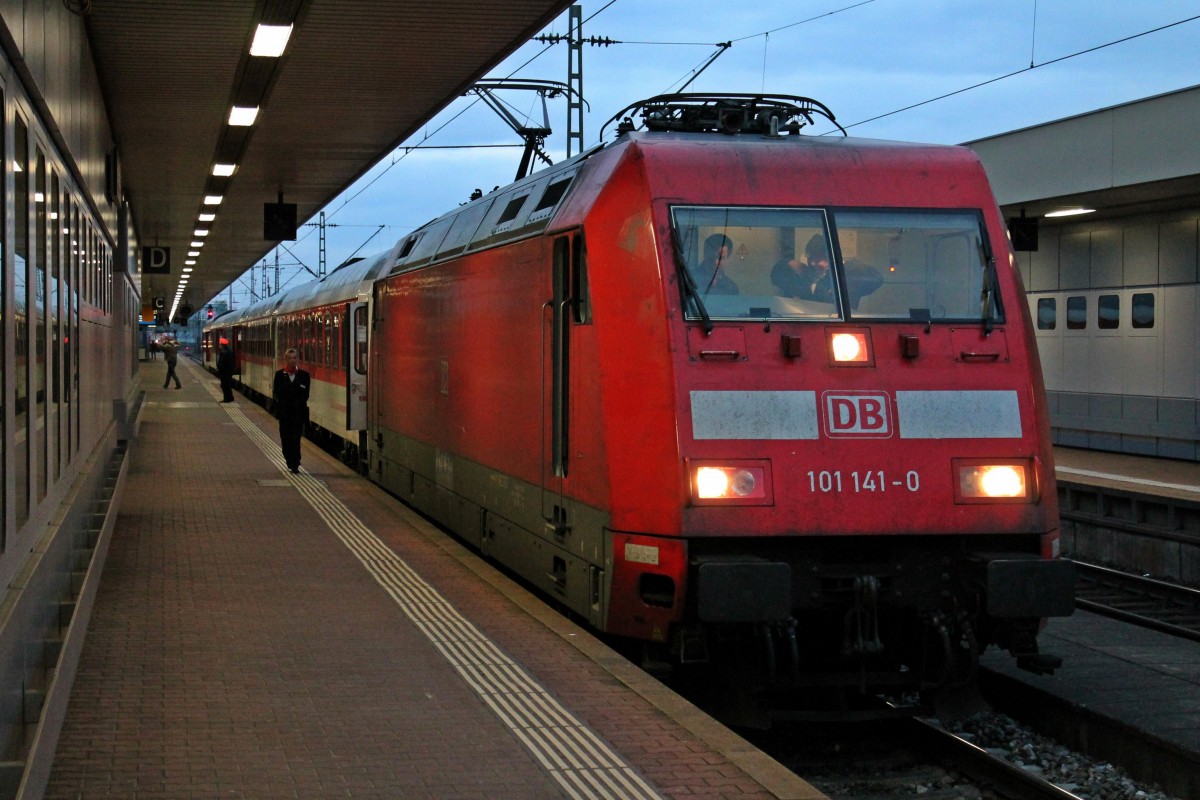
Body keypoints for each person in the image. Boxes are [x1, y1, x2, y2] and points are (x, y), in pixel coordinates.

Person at [272, 348, 310, 474]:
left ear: (297, 359)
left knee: (296, 438)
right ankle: (288, 459)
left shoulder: (304, 376)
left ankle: (295, 463)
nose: (293, 361)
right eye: (290, 358)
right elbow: (277, 393)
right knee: (285, 438)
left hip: (298, 413)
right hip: (284, 413)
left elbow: (306, 395)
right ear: (286, 360)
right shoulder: (279, 375)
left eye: (295, 358)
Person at [772, 234, 835, 302]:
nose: (812, 263)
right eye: (809, 257)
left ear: (828, 259)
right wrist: (788, 263)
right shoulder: (800, 273)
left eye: (817, 258)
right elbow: (775, 276)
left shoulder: (835, 281)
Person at [216, 337, 236, 403]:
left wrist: (219, 368)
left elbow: (222, 363)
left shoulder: (223, 352)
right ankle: (230, 398)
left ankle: (227, 399)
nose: (219, 346)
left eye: (220, 344)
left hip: (224, 372)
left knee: (224, 386)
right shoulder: (229, 351)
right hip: (228, 372)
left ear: (222, 345)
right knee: (228, 385)